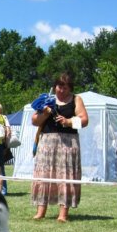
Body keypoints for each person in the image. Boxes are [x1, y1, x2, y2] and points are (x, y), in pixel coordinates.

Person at [30, 73, 89, 222]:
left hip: (68, 143)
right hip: (47, 142)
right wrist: (44, 113)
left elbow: (84, 120)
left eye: (65, 88)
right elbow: (35, 121)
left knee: (66, 176)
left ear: (70, 88)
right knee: (44, 175)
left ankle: (63, 214)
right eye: (59, 87)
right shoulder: (47, 100)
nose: (61, 91)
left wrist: (68, 121)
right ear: (54, 86)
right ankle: (40, 211)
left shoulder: (76, 99)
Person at [0, 103, 12, 195]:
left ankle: (3, 190)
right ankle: (1, 189)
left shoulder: (3, 118)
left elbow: (8, 131)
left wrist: (6, 144)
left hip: (2, 146)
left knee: (0, 169)